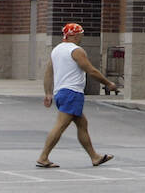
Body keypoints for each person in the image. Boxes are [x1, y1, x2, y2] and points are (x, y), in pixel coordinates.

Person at [36, 22, 119, 168]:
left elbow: (49, 72)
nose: (82, 36)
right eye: (80, 34)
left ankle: (95, 157)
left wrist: (48, 93)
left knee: (82, 124)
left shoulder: (56, 50)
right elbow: (91, 70)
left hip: (61, 93)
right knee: (60, 126)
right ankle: (43, 157)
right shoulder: (76, 50)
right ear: (74, 35)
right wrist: (108, 83)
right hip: (72, 93)